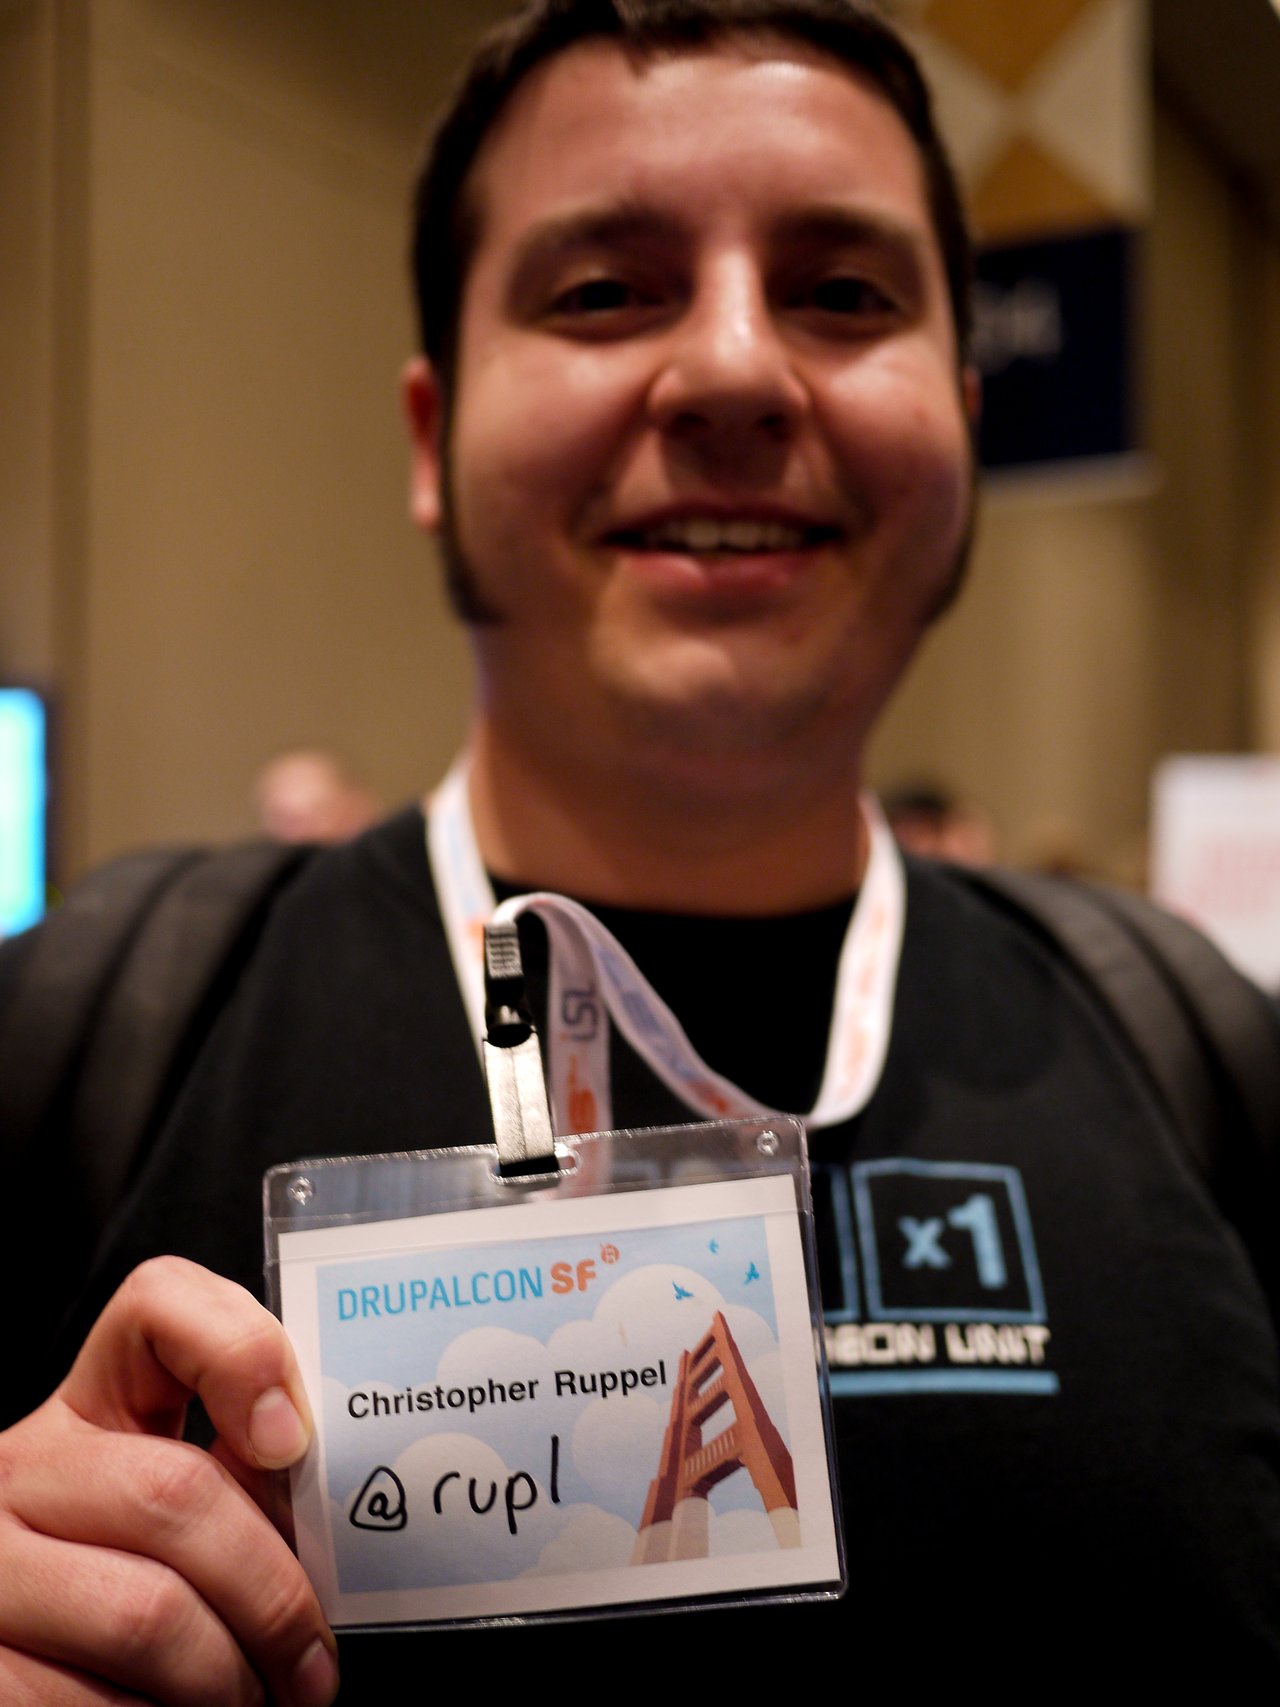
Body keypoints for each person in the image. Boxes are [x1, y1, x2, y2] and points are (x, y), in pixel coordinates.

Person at [1, 1, 1278, 1697]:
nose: (738, 370)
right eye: (604, 292)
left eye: (846, 294)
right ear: (429, 438)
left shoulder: (1199, 1055)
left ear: (966, 419)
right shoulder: (84, 1038)